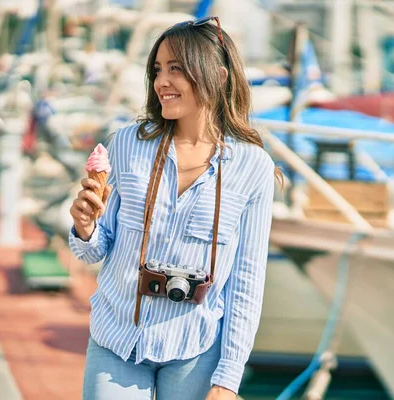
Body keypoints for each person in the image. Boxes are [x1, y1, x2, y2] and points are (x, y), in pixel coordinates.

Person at [69, 16, 278, 400]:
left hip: (196, 351)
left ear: (215, 75)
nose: (161, 81)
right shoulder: (128, 144)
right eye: (157, 70)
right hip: (116, 338)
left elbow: (247, 283)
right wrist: (85, 226)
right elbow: (95, 249)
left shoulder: (253, 167)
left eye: (176, 69)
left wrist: (228, 378)